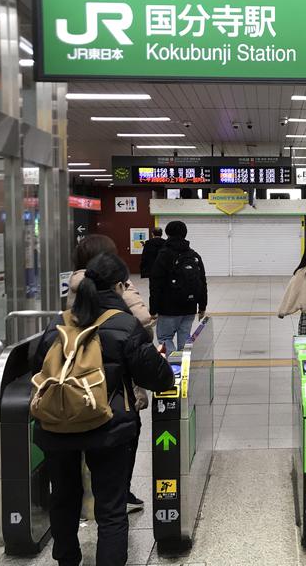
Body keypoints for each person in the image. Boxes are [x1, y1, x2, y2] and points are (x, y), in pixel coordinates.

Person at [31, 253, 174, 566]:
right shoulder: (124, 324)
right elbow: (159, 378)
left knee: (64, 499)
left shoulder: (59, 322)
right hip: (107, 428)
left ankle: (67, 560)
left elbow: (36, 365)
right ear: (120, 286)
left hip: (56, 427)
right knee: (110, 509)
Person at [68, 234, 152, 513]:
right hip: (115, 384)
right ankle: (118, 496)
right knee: (122, 439)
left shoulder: (71, 286)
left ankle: (85, 498)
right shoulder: (117, 285)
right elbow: (141, 323)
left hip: (76, 382)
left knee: (79, 442)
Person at [150, 221, 208, 352]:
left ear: (167, 233)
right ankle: (184, 368)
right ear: (185, 233)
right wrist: (202, 306)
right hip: (189, 306)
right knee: (184, 339)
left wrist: (153, 309)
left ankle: (173, 369)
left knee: (165, 338)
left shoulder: (164, 255)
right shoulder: (194, 255)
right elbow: (202, 281)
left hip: (168, 308)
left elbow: (155, 283)